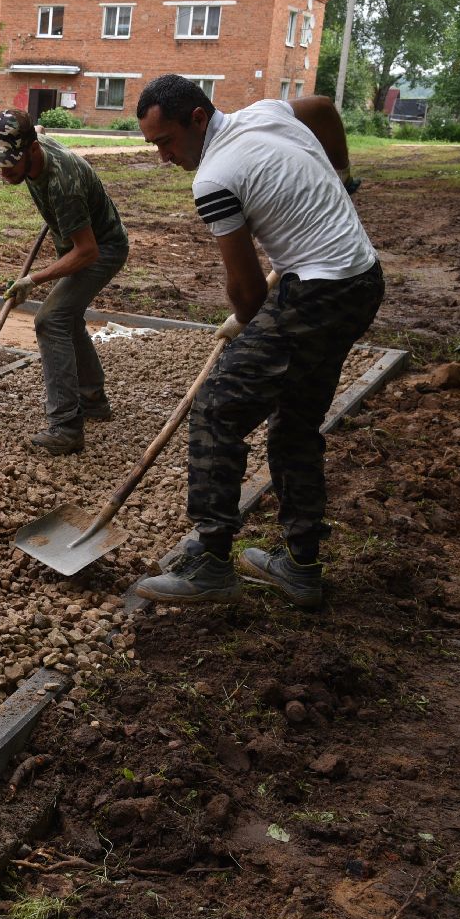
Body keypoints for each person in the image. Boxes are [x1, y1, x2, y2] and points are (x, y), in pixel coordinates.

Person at [129, 75, 382, 609]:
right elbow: (322, 108)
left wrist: (247, 324)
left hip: (319, 290)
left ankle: (211, 562)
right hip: (361, 279)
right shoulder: (267, 112)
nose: (162, 156)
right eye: (154, 144)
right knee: (293, 425)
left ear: (198, 118)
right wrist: (342, 173)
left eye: (166, 141)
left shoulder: (216, 177)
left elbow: (244, 289)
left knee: (217, 409)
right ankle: (301, 565)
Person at [0, 109, 129, 455]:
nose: (5, 172)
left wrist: (33, 279)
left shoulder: (62, 182)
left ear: (33, 150)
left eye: (11, 163)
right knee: (66, 318)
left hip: (101, 249)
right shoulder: (32, 154)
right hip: (84, 243)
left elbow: (87, 251)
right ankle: (93, 399)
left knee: (49, 321)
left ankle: (66, 427)